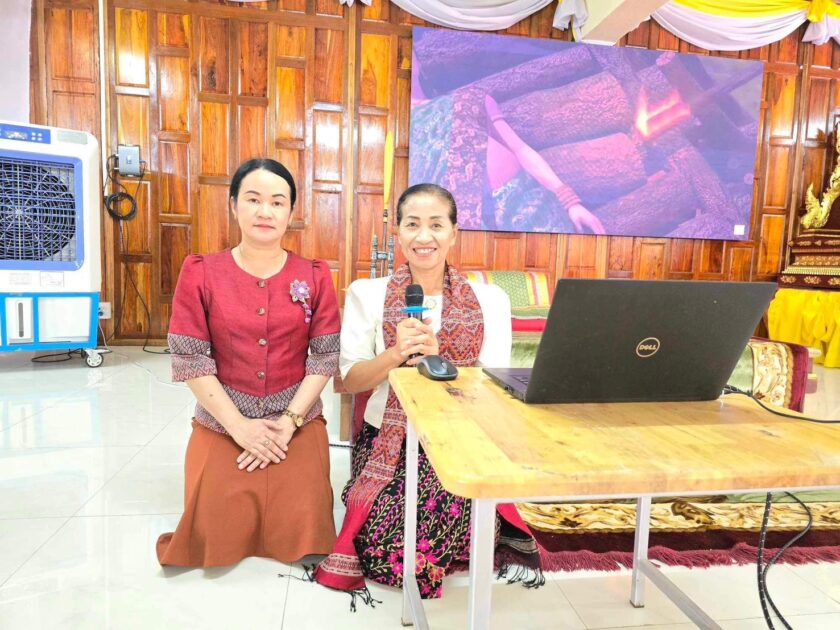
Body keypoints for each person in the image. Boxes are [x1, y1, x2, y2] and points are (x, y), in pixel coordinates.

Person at [315, 183, 541, 601]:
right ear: (398, 232)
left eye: (436, 225)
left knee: (441, 524)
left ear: (453, 233)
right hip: (388, 441)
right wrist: (394, 354)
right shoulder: (368, 293)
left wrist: (444, 362)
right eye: (412, 224)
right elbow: (352, 380)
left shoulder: (490, 300)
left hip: (460, 438)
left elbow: (493, 388)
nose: (424, 237)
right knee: (384, 548)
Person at [157, 158, 340, 567]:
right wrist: (238, 426)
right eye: (253, 199)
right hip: (223, 417)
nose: (265, 211)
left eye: (277, 202)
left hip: (295, 418)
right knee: (216, 514)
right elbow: (190, 357)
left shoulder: (314, 275)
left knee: (306, 513)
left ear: (290, 212)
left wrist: (288, 423)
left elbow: (325, 355)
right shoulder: (201, 272)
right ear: (234, 205)